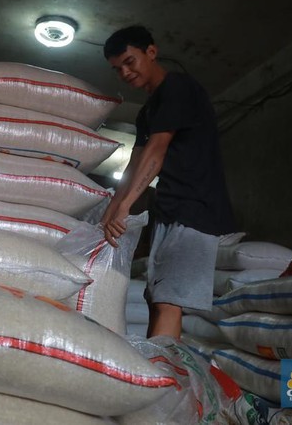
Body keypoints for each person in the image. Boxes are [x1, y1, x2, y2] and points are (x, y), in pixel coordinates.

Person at [100, 25, 236, 339]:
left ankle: (162, 381)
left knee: (168, 300)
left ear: (151, 52)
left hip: (196, 211)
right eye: (117, 69)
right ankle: (154, 368)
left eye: (129, 61)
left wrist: (126, 207)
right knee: (154, 297)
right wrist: (111, 210)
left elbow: (156, 150)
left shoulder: (178, 87)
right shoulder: (147, 112)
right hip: (170, 209)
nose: (125, 72)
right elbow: (135, 164)